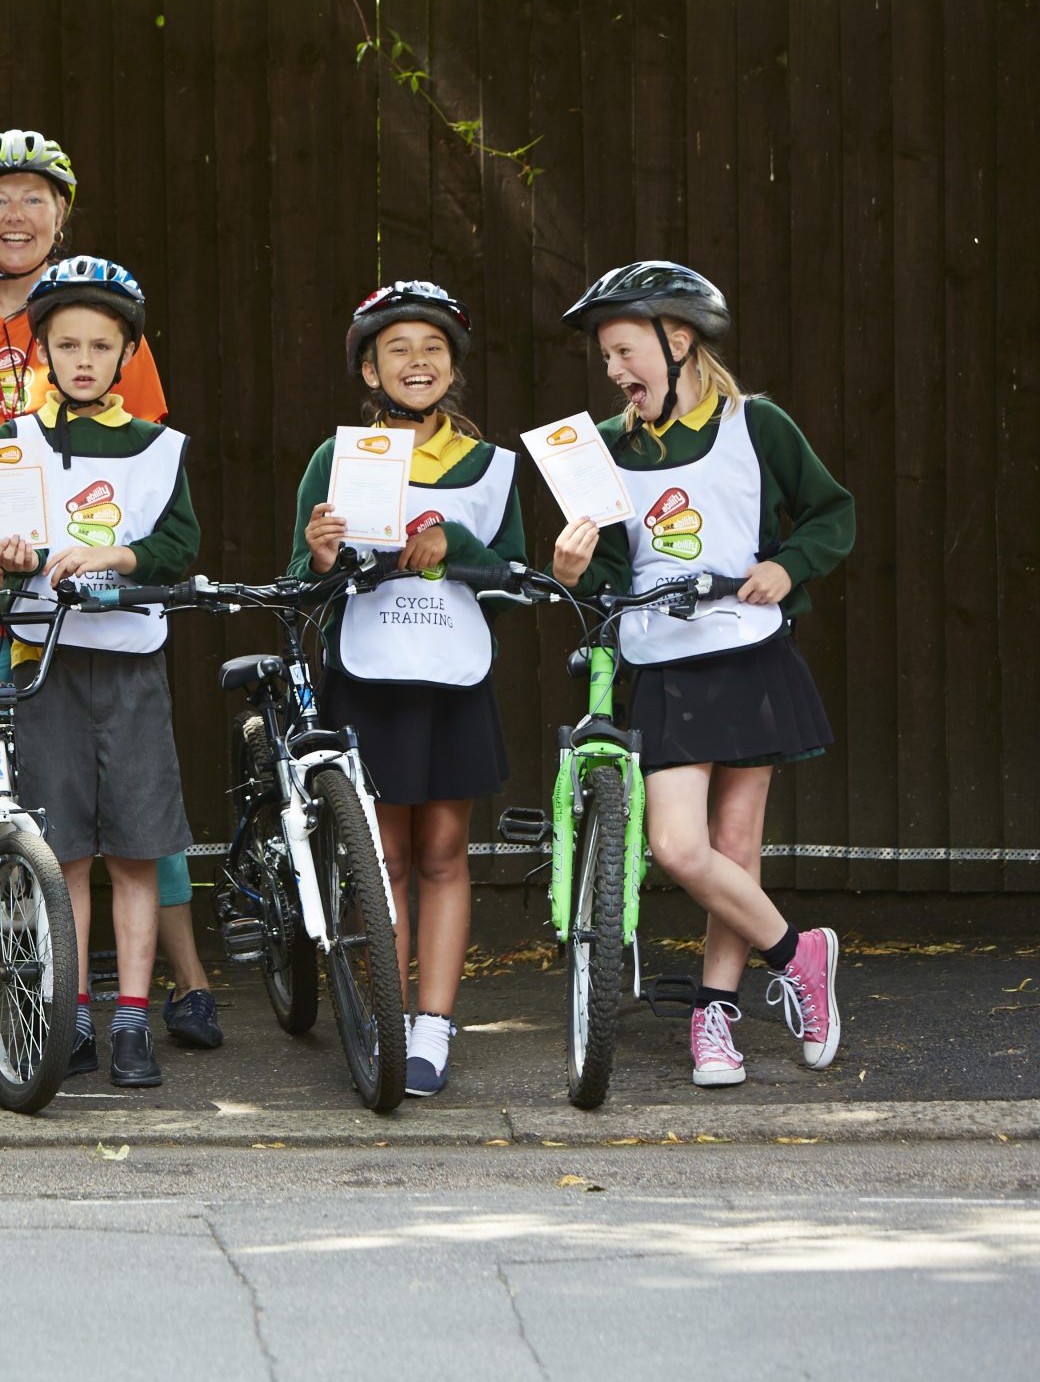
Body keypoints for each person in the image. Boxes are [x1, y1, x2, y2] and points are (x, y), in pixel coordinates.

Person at [0, 131, 216, 1048]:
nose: (15, 216)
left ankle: (183, 979)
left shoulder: (104, 315)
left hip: (88, 610)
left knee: (132, 796)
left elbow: (142, 477)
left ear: (62, 214)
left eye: (34, 198)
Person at [553, 261, 850, 1086]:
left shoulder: (761, 426)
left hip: (750, 650)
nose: (614, 372)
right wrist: (573, 566)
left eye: (624, 352)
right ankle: (800, 953)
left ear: (677, 341)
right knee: (680, 847)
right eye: (606, 358)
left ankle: (715, 1015)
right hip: (663, 663)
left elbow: (832, 512)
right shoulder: (601, 448)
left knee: (735, 846)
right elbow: (607, 570)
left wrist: (790, 567)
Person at [291, 281, 524, 1097]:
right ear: (368, 366)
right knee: (382, 855)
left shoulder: (491, 466)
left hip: (453, 675)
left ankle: (435, 1023)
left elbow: (515, 576)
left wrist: (449, 542)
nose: (416, 361)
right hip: (372, 674)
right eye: (397, 347)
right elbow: (297, 582)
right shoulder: (338, 457)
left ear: (454, 363)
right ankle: (388, 1019)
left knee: (443, 852)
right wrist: (320, 558)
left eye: (433, 346)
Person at [0, 258, 199, 1088]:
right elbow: (4, 555)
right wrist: (10, 556)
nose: (83, 359)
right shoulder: (14, 442)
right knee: (64, 850)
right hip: (44, 660)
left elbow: (180, 546)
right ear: (42, 350)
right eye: (67, 343)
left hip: (131, 663)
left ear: (125, 355)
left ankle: (133, 1020)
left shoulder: (158, 446)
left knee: (139, 850)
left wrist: (119, 550)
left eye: (100, 346)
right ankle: (70, 1011)